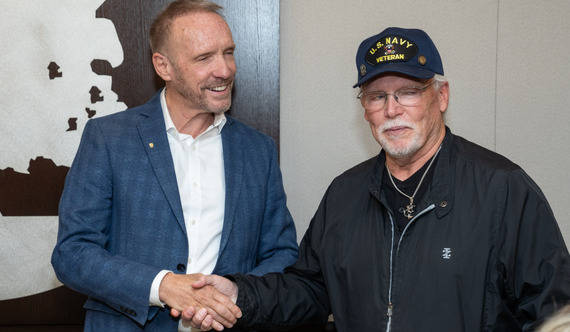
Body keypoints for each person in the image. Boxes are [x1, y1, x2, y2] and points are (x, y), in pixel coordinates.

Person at [187, 27, 570, 331]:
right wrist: (239, 293)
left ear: (441, 97)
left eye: (408, 92)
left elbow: (552, 310)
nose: (392, 110)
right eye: (376, 96)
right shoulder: (345, 192)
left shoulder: (503, 189)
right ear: (364, 109)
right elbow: (310, 289)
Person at [50, 1, 298, 331]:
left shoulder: (257, 150)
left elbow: (282, 254)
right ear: (164, 67)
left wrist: (236, 293)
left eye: (228, 52)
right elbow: (72, 253)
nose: (224, 69)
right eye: (204, 58)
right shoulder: (108, 139)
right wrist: (164, 286)